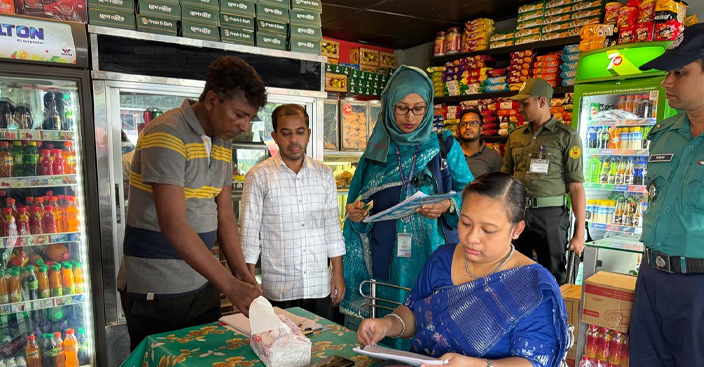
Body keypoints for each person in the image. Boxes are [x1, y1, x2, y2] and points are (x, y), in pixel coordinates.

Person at [357, 172, 568, 367]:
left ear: (516, 230)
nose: (471, 238)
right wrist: (387, 324)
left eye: (488, 230)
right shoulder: (442, 259)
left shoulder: (532, 286)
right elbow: (414, 312)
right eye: (465, 223)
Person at [121, 56, 264, 351]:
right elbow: (172, 225)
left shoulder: (222, 141)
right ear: (212, 100)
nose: (244, 125)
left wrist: (242, 275)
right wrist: (230, 285)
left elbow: (224, 213)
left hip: (203, 283)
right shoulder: (166, 133)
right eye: (239, 114)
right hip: (159, 289)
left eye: (249, 117)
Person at [341, 66, 473, 340]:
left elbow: (473, 195)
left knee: (430, 324)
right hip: (384, 259)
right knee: (385, 326)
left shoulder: (443, 145)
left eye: (419, 108)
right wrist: (357, 215)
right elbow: (359, 209)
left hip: (432, 255)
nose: (410, 117)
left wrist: (449, 205)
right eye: (401, 108)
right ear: (389, 107)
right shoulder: (377, 150)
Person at [629, 23, 704, 367]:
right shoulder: (664, 133)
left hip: (702, 288)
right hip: (651, 278)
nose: (667, 82)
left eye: (680, 71)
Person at [240, 104, 346, 321]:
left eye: (299, 132)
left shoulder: (325, 175)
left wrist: (338, 273)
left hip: (318, 286)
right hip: (279, 289)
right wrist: (250, 282)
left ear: (308, 133)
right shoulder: (259, 176)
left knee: (323, 351)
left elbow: (332, 228)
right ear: (275, 136)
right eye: (286, 133)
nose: (294, 140)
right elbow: (249, 234)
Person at [502, 78, 586, 284]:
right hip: (517, 212)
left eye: (525, 103)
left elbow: (576, 186)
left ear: (542, 102)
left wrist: (580, 232)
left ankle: (555, 315)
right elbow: (505, 179)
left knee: (553, 275)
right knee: (514, 271)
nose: (520, 108)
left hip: (550, 216)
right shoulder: (515, 137)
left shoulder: (567, 136)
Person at [457, 108, 503, 177]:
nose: (468, 127)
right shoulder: (450, 153)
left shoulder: (493, 157)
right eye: (463, 124)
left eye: (473, 123)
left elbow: (501, 184)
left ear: (481, 129)